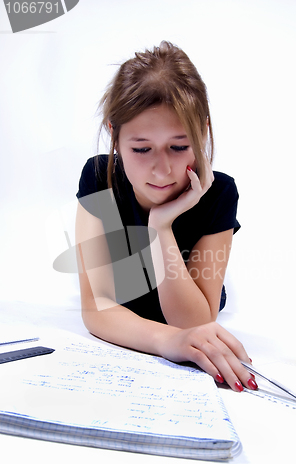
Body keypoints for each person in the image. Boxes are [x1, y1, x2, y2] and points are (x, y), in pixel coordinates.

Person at [75, 41, 257, 393]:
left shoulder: (219, 193)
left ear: (202, 133)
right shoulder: (99, 177)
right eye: (141, 149)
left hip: (188, 296)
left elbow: (196, 321)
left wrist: (161, 225)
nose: (161, 170)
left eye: (178, 146)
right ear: (114, 134)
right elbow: (97, 307)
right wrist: (168, 342)